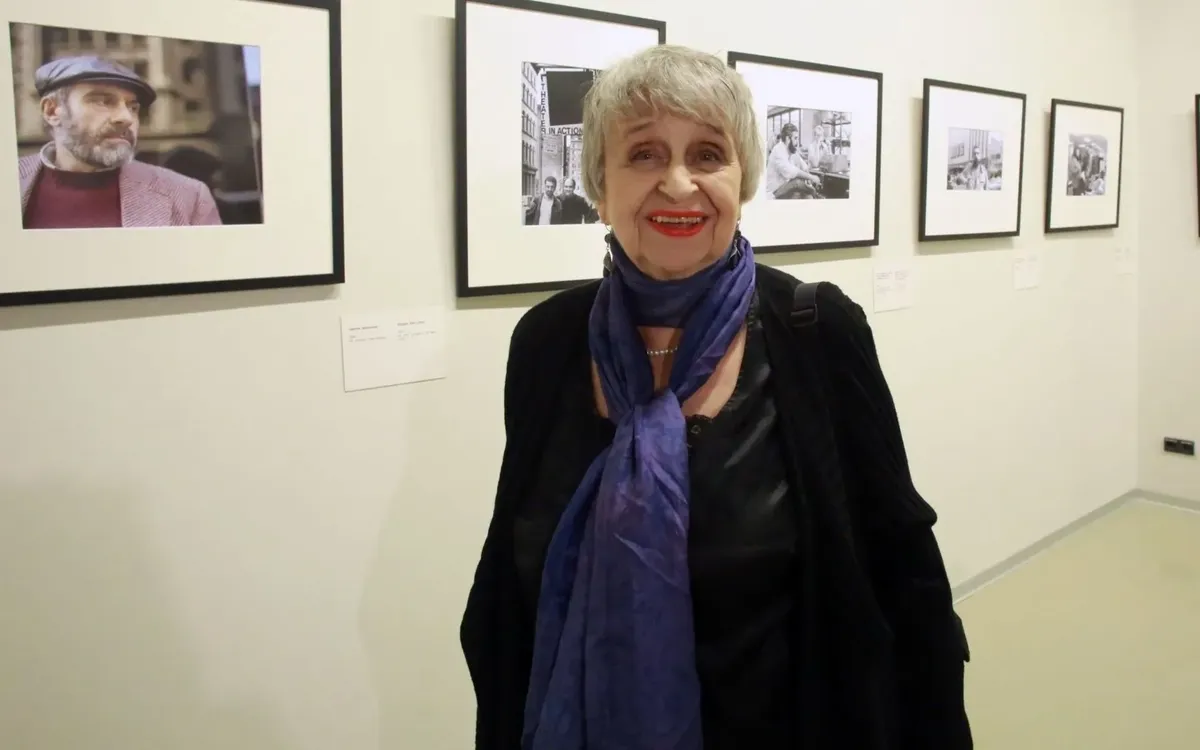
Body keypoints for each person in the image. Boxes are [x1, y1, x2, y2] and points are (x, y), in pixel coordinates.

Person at [461, 44, 972, 750]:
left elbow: (905, 573)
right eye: (644, 154)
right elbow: (507, 586)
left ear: (743, 180)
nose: (678, 183)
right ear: (600, 188)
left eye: (707, 154)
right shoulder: (548, 343)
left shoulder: (816, 332)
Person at [18, 55, 222, 229]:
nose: (126, 118)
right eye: (103, 101)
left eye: (133, 107)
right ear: (52, 111)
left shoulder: (189, 196)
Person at [764, 121, 823, 199]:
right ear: (788, 139)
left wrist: (808, 178)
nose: (797, 142)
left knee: (807, 196)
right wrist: (811, 177)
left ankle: (815, 196)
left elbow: (804, 166)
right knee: (797, 182)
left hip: (786, 187)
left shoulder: (790, 150)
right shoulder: (778, 150)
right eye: (795, 138)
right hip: (774, 191)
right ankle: (816, 195)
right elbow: (792, 172)